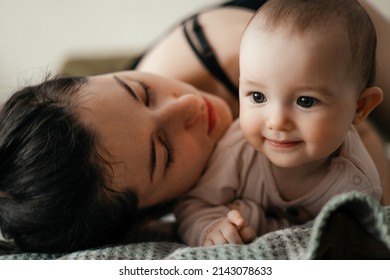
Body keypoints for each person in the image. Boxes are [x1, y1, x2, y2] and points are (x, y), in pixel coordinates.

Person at [0, 0, 389, 253]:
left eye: (141, 91)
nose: (187, 105)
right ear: (150, 217)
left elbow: (356, 138)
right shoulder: (138, 188)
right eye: (165, 151)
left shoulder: (261, 58)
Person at [175, 0, 384, 247]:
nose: (276, 121)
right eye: (257, 96)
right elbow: (193, 206)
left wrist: (260, 220)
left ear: (359, 107)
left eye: (306, 101)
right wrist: (210, 227)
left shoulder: (357, 186)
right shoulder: (236, 149)